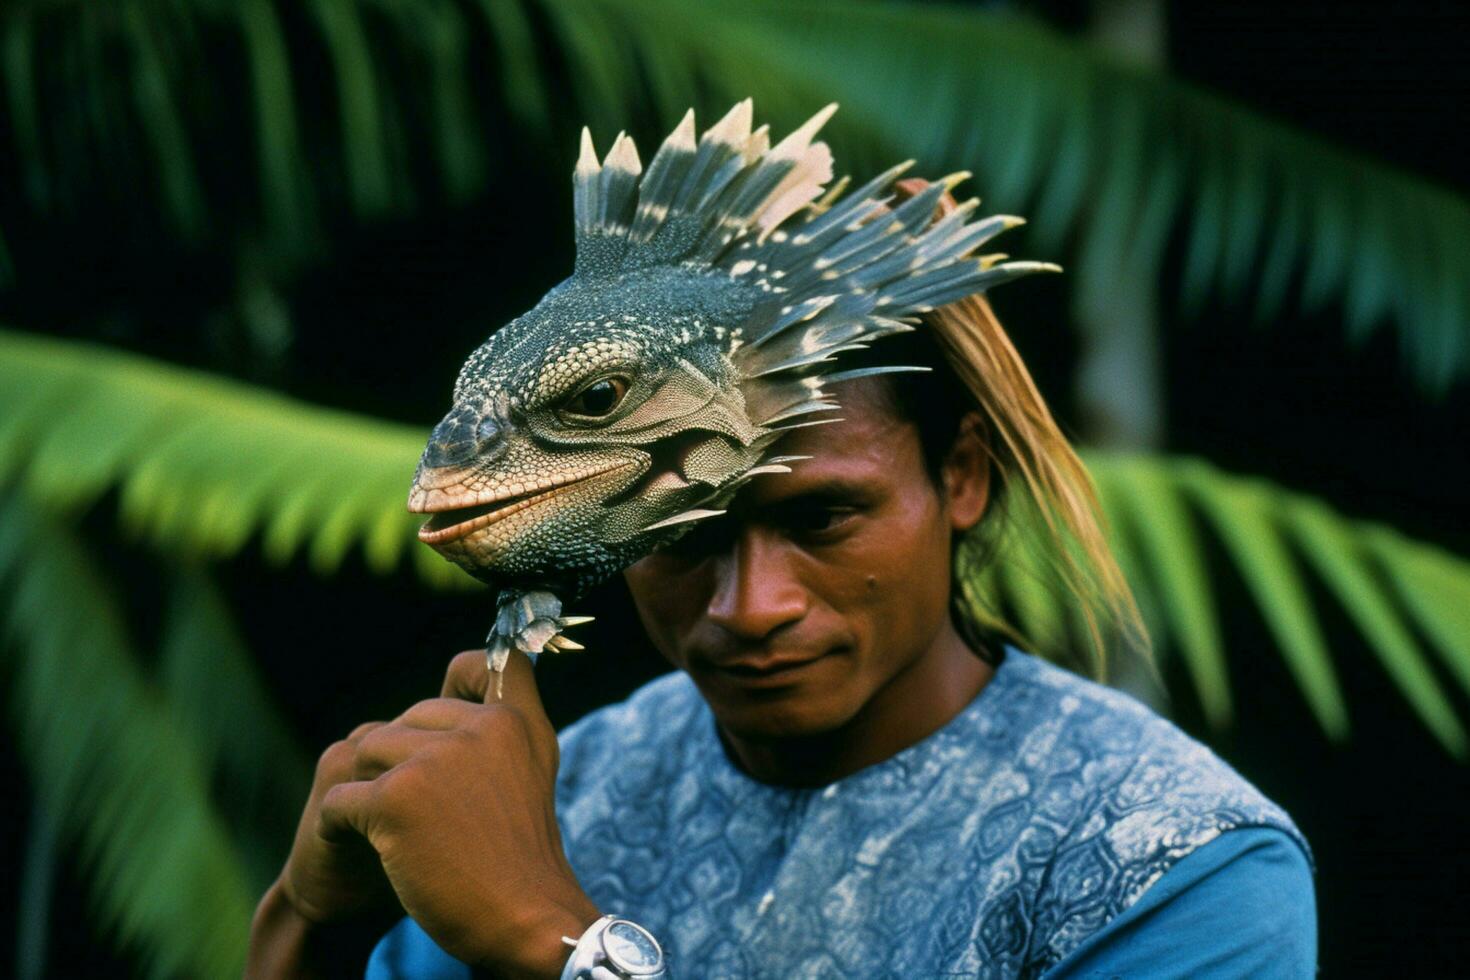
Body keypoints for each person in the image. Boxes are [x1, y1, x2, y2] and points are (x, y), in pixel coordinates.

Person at [246, 189, 1315, 980]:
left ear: (963, 476)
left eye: (822, 518)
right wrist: (305, 913)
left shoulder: (1172, 863)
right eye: (683, 533)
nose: (750, 606)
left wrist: (558, 943)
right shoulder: (564, 798)